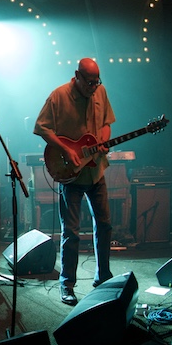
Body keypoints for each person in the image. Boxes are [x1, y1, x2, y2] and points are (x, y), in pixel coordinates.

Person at [34, 57, 115, 306]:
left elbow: (106, 124)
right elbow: (41, 127)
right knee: (71, 232)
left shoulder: (100, 91)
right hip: (71, 174)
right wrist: (65, 149)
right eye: (89, 82)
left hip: (95, 172)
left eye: (96, 81)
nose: (93, 87)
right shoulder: (58, 96)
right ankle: (67, 284)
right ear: (77, 75)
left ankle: (104, 277)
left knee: (104, 226)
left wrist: (102, 139)